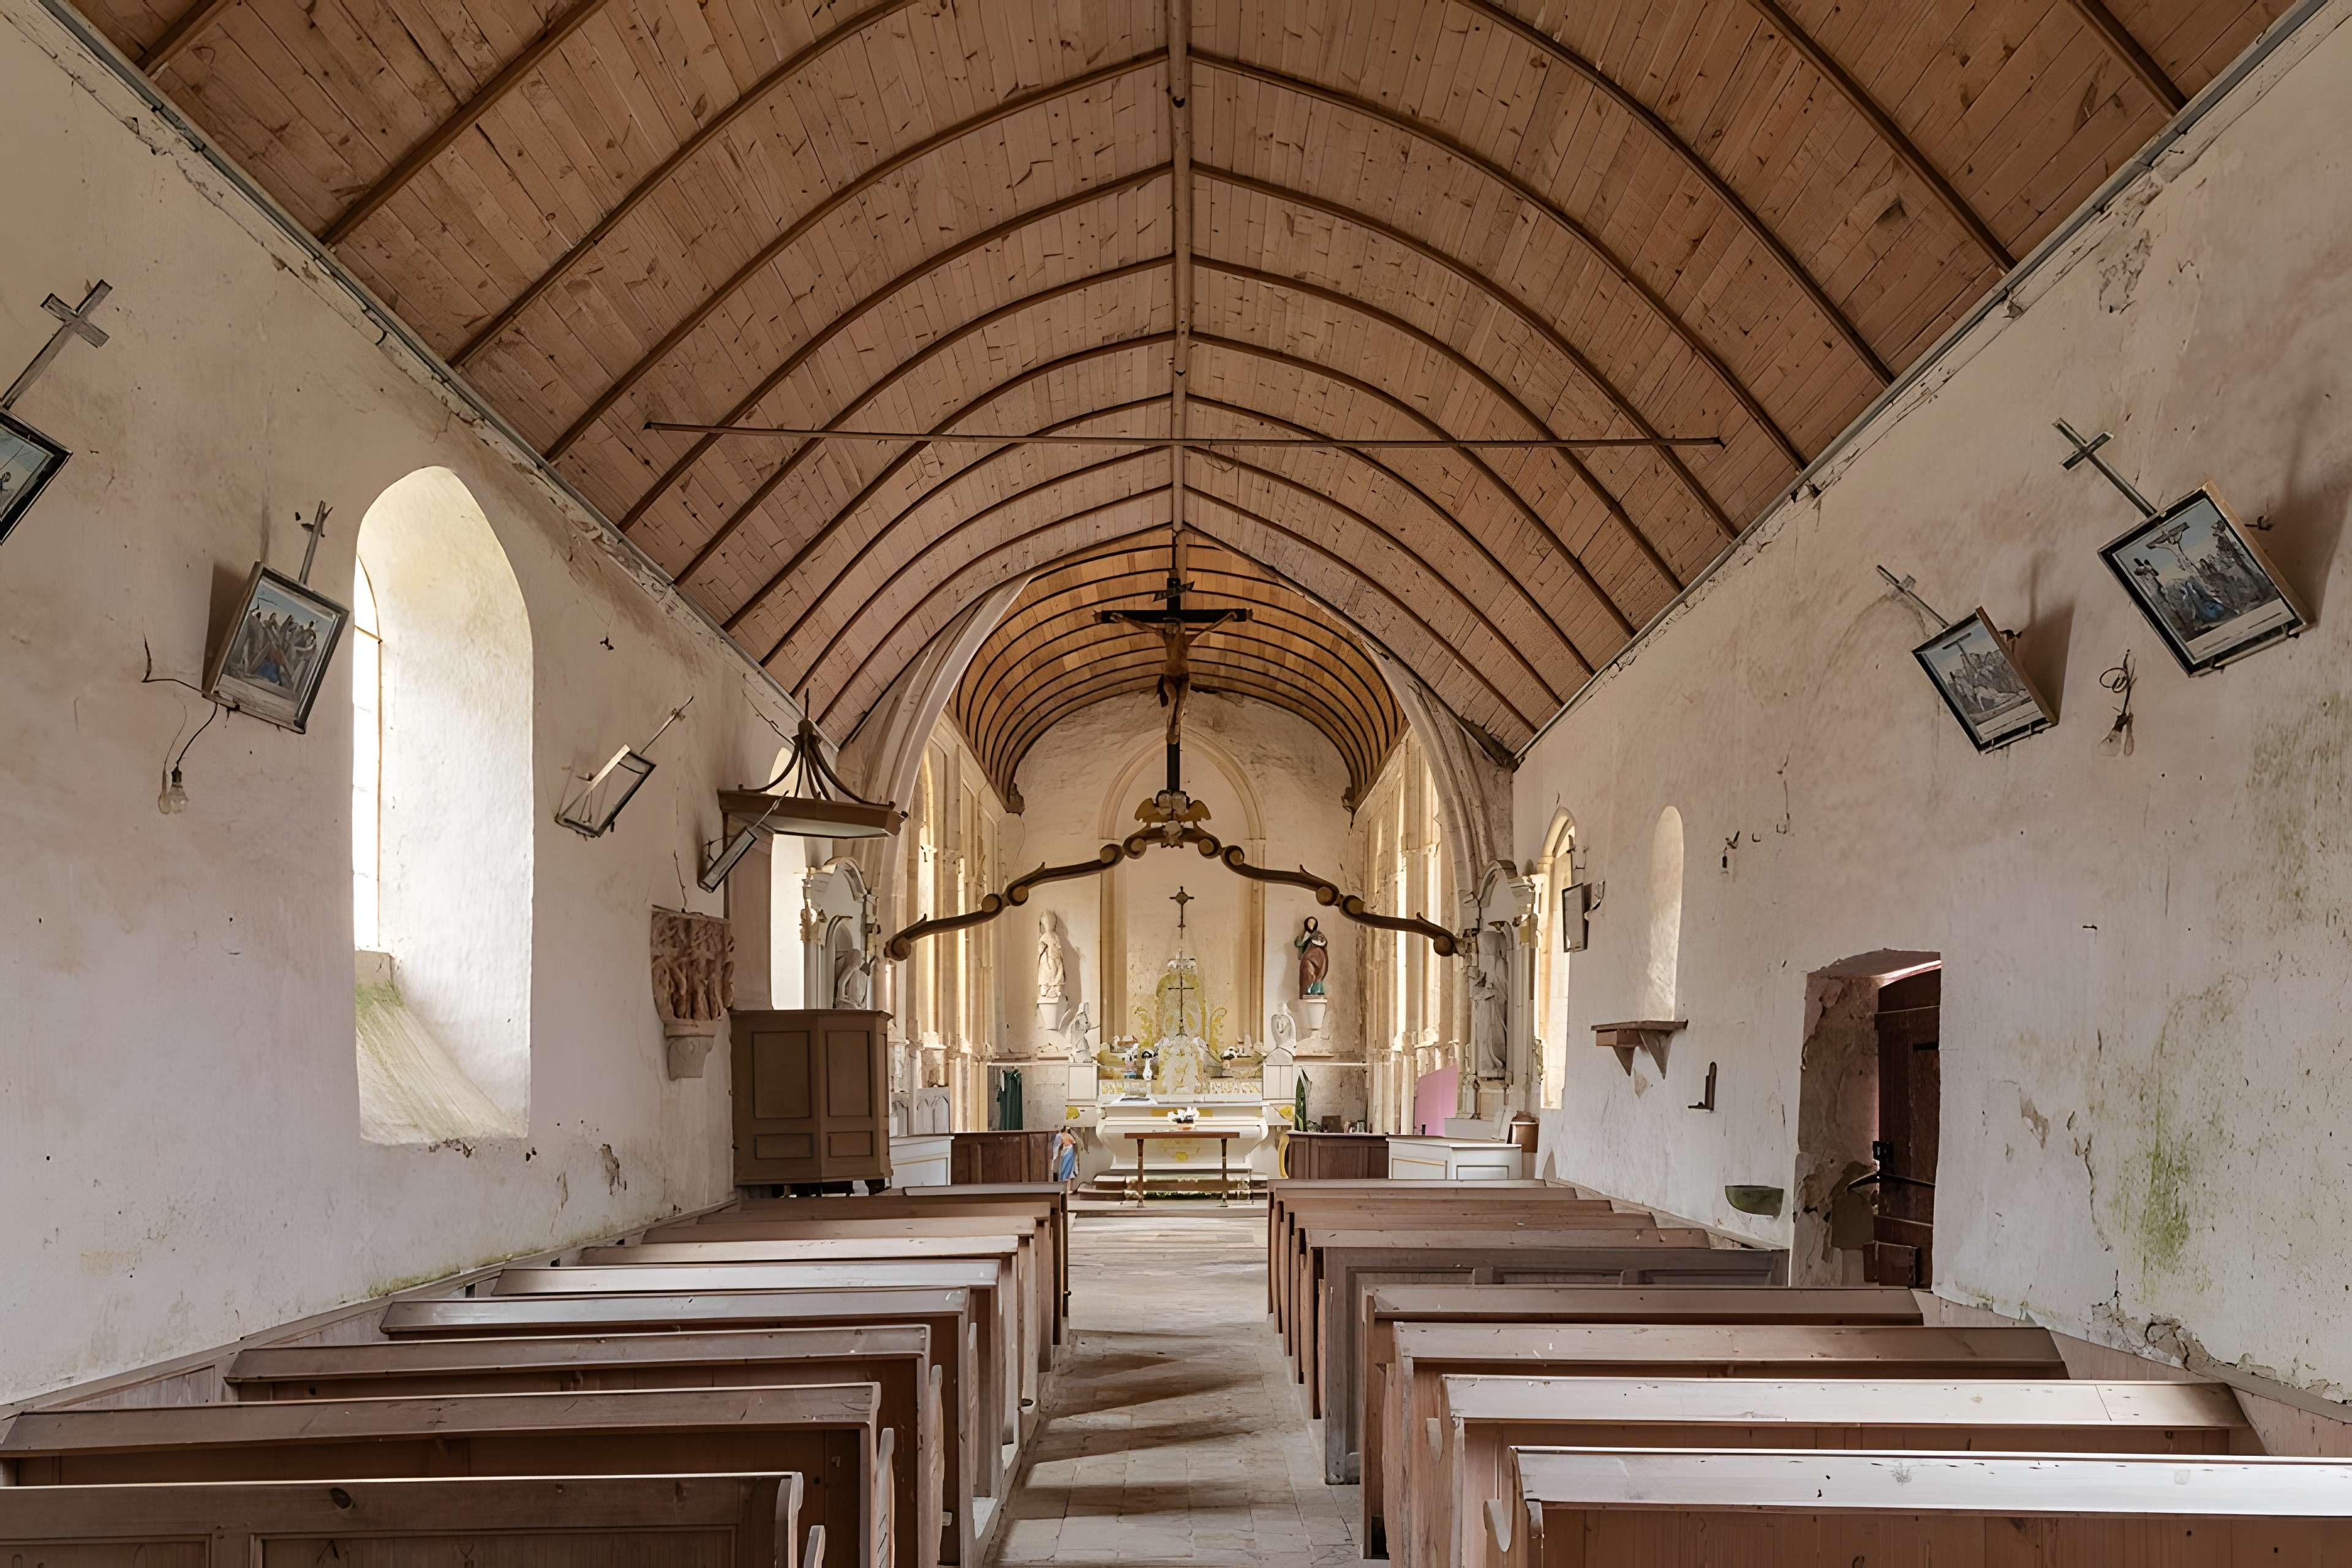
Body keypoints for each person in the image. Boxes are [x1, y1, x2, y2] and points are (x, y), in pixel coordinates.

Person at [1052, 1125, 1082, 1194]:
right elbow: (1074, 1143)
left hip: (1068, 1152)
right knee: (1069, 1170)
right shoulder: (1068, 1136)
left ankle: (1067, 1189)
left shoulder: (1060, 1136)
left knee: (1066, 1170)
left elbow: (1058, 1147)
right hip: (1069, 1152)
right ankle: (1069, 1189)